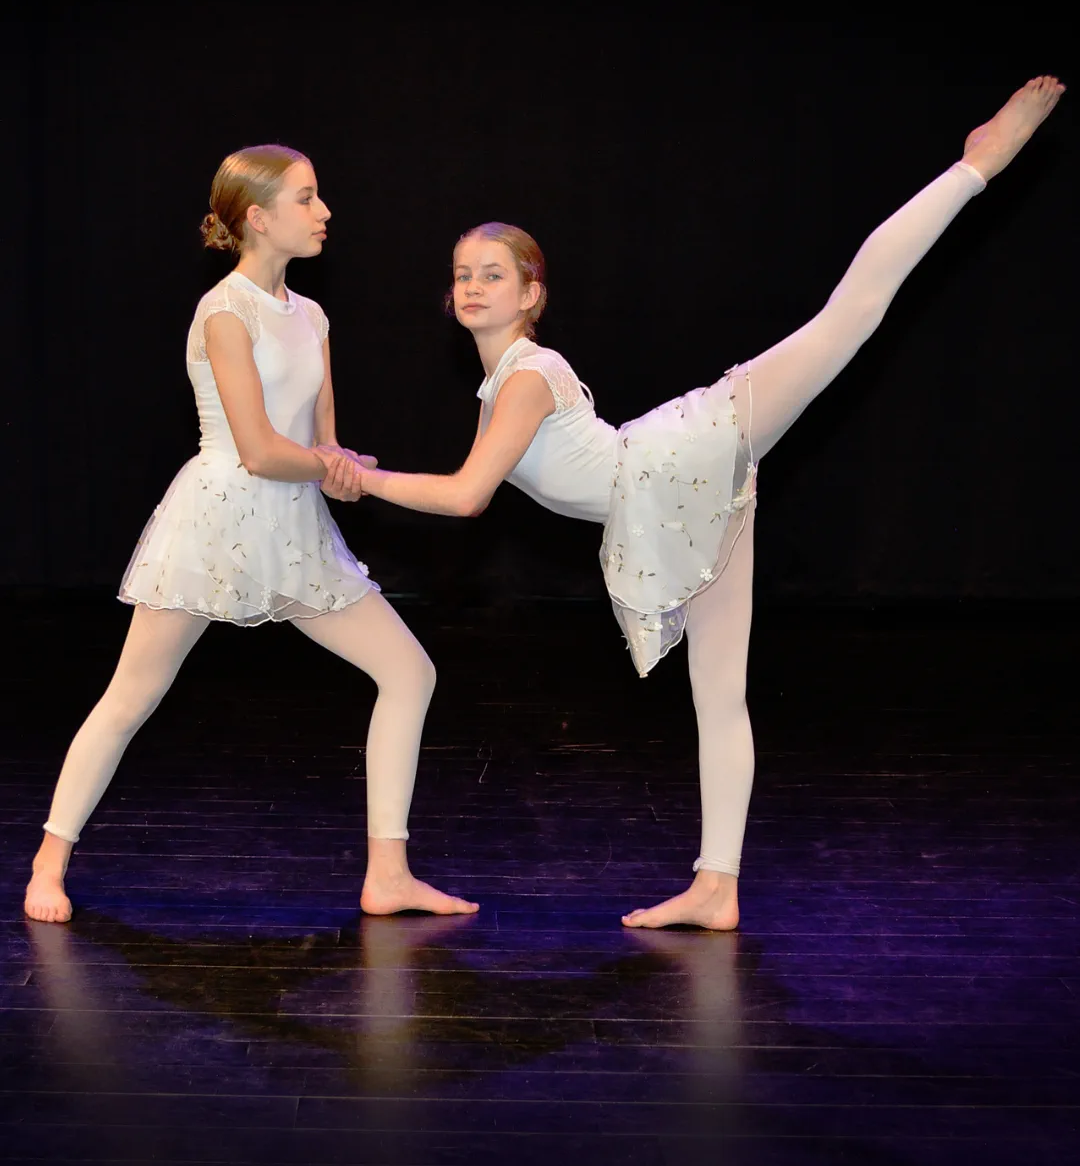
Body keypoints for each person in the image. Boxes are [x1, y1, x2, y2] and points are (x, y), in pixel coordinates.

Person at [330, 77, 1064, 931]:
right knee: (719, 694)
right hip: (673, 509)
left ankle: (974, 167)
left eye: (493, 274)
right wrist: (354, 469)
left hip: (682, 457)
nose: (472, 287)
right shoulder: (502, 385)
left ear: (531, 293)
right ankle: (718, 886)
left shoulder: (525, 374)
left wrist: (356, 472)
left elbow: (464, 497)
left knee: (845, 319)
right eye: (461, 275)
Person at [24, 144, 478, 924]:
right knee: (133, 694)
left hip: (294, 526)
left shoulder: (312, 316)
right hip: (218, 521)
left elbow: (319, 441)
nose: (325, 211)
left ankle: (388, 874)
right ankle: (47, 862)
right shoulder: (223, 312)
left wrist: (340, 466)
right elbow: (261, 447)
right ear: (259, 219)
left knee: (409, 672)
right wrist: (333, 468)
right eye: (307, 198)